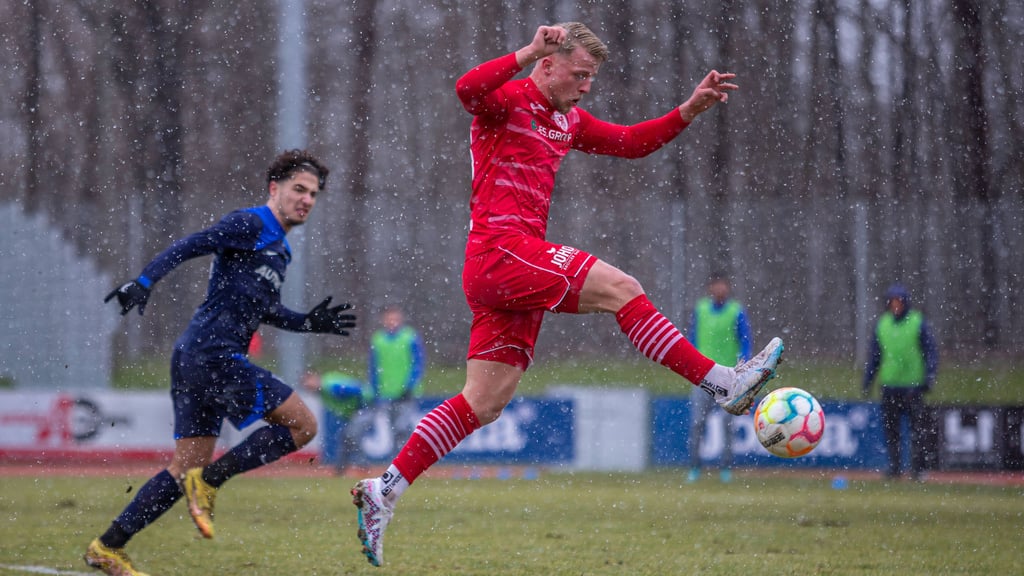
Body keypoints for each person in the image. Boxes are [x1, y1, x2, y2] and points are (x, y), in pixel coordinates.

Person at [350, 23, 784, 567]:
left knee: (483, 403)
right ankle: (724, 383)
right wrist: (526, 50)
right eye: (579, 75)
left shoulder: (568, 120)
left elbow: (629, 143)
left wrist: (688, 109)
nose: (585, 87)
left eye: (591, 78)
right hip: (501, 251)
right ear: (549, 64)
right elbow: (466, 90)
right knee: (622, 289)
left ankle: (384, 489)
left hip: (505, 268)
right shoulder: (507, 101)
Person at [85, 150, 357, 576]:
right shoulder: (250, 223)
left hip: (196, 356)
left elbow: (265, 309)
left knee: (183, 468)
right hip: (213, 355)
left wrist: (306, 322)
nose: (306, 199)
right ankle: (211, 482)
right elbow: (193, 243)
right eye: (298, 190)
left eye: (313, 194)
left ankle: (108, 546)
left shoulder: (280, 251)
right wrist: (144, 281)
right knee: (303, 425)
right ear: (275, 189)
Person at [863, 283, 938, 481]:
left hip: (913, 386)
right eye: (892, 301)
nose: (896, 305)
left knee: (917, 430)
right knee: (892, 431)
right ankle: (895, 468)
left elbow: (930, 351)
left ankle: (917, 469)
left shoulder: (917, 322)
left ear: (906, 303)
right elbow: (874, 356)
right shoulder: (882, 324)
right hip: (889, 385)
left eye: (899, 301)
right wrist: (868, 379)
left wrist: (929, 376)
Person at [687, 273, 752, 484]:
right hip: (703, 376)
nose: (720, 289)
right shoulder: (701, 310)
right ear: (710, 287)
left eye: (723, 285)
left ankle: (726, 467)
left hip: (728, 377)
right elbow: (692, 340)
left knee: (727, 423)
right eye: (716, 285)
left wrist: (743, 366)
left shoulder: (736, 311)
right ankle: (695, 466)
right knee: (698, 422)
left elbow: (745, 341)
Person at [367, 306, 425, 452]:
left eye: (395, 319)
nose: (392, 322)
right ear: (383, 320)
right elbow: (373, 366)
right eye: (389, 319)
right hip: (387, 392)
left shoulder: (410, 336)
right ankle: (400, 460)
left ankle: (410, 457)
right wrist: (374, 388)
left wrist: (410, 385)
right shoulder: (378, 339)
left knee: (403, 425)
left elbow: (418, 363)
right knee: (393, 427)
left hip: (406, 392)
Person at [304, 370, 370, 473]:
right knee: (345, 438)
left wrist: (358, 409)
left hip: (363, 408)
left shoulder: (330, 386)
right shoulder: (324, 391)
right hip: (356, 411)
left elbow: (357, 389)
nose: (309, 386)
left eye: (309, 381)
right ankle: (341, 469)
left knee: (351, 435)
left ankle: (361, 466)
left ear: (315, 377)